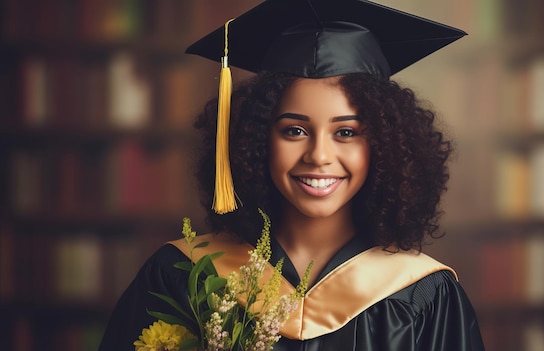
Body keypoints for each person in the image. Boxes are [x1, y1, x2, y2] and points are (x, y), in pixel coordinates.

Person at [98, 0, 485, 350]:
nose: (319, 155)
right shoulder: (182, 275)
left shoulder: (425, 295)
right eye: (294, 130)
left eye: (346, 132)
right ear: (254, 139)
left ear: (382, 145)